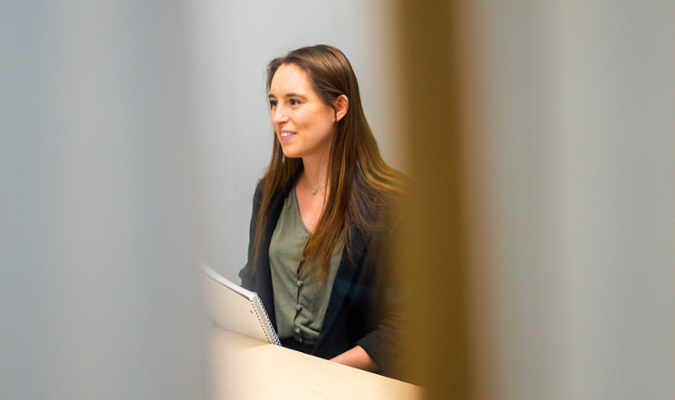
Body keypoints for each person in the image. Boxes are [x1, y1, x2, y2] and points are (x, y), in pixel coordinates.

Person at [239, 44, 405, 376]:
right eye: (273, 103)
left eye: (294, 102)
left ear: (339, 107)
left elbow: (411, 322)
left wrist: (322, 373)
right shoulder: (270, 194)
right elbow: (254, 283)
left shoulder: (392, 202)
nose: (278, 116)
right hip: (280, 375)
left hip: (353, 380)